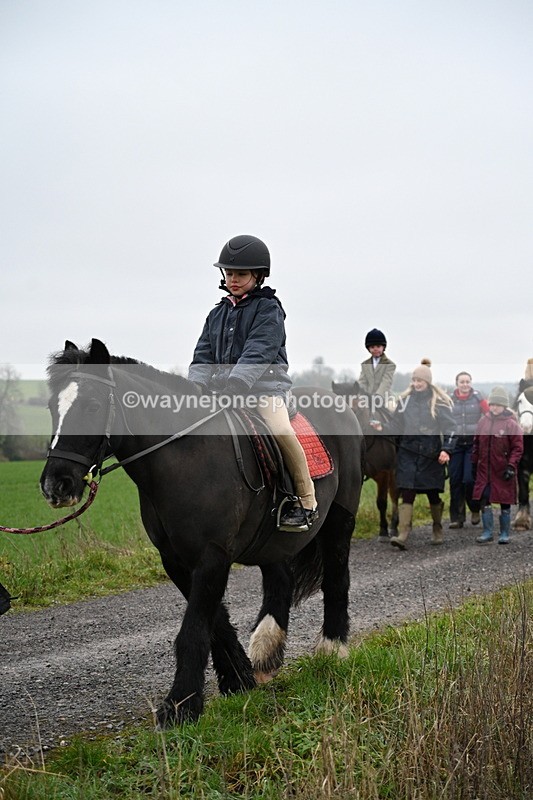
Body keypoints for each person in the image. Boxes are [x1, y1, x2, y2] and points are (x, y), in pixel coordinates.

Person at [188, 234, 318, 532]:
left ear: (257, 276)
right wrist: (195, 386)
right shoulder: (216, 314)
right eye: (229, 273)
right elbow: (203, 355)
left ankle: (306, 500)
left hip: (264, 390)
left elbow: (259, 351)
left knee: (280, 430)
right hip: (222, 393)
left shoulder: (269, 309)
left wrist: (236, 384)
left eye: (241, 274)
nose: (233, 279)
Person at [372, 359, 456, 549]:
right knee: (407, 493)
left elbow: (451, 428)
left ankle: (437, 528)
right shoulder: (404, 402)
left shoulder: (439, 403)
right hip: (408, 455)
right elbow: (395, 426)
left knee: (433, 494)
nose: (417, 384)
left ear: (428, 382)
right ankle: (403, 533)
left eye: (421, 381)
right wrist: (381, 427)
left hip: (431, 455)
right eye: (415, 381)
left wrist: (446, 450)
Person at [471, 386, 524, 544]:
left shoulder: (511, 425)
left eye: (498, 405)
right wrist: (474, 462)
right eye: (492, 404)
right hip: (484, 470)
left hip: (503, 469)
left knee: (504, 501)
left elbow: (517, 448)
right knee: (484, 498)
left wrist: (511, 466)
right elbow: (476, 443)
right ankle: (487, 531)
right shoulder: (483, 422)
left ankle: (504, 533)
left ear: (504, 406)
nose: (494, 407)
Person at [448, 372, 489, 529]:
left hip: (473, 444)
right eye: (461, 382)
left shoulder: (478, 397)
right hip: (455, 444)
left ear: (471, 383)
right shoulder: (449, 399)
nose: (465, 384)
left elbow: (489, 415)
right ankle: (457, 517)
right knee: (455, 480)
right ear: (456, 383)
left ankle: (474, 508)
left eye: (467, 381)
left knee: (469, 479)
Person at [358, 328, 396, 403]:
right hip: (367, 399)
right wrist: (362, 395)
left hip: (385, 399)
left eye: (378, 346)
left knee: (392, 409)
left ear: (383, 347)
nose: (375, 349)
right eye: (372, 347)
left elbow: (386, 381)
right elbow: (362, 382)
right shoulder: (365, 364)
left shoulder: (389, 364)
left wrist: (378, 396)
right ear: (368, 348)